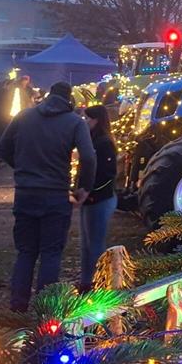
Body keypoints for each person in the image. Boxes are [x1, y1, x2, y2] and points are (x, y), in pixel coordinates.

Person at [0, 81, 96, 312]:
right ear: (69, 99)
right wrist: (84, 187)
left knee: (26, 252)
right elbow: (89, 157)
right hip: (55, 194)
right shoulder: (74, 122)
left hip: (25, 193)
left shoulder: (24, 116)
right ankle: (44, 310)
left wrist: (22, 168)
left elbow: (2, 146)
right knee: (51, 253)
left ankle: (18, 306)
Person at [78, 105, 117, 293]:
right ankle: (86, 281)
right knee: (86, 243)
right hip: (89, 198)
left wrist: (91, 192)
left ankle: (97, 283)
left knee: (95, 244)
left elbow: (107, 174)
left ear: (96, 120)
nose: (85, 122)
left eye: (88, 119)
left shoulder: (104, 144)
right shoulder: (92, 141)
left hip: (99, 199)